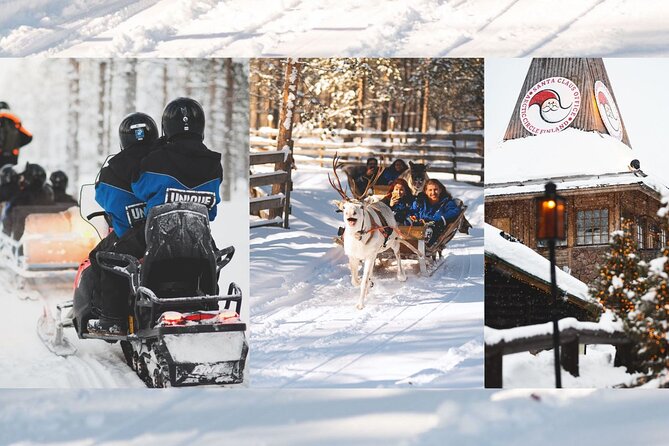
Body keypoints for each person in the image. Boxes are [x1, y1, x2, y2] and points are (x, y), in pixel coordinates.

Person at [86, 112, 160, 336]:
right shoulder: (164, 162)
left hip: (131, 238)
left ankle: (111, 318)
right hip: (168, 232)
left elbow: (102, 197)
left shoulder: (111, 172)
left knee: (100, 257)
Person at [408, 178, 462, 245]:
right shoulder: (420, 202)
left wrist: (441, 218)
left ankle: (425, 244)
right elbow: (412, 211)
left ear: (440, 190)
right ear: (425, 191)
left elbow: (455, 211)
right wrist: (413, 216)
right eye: (430, 190)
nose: (433, 193)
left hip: (437, 229)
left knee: (432, 229)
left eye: (435, 190)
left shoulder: (446, 202)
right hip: (418, 228)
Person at [0, 102, 32, 166]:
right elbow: (29, 137)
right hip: (12, 156)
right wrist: (16, 145)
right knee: (10, 173)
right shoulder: (14, 121)